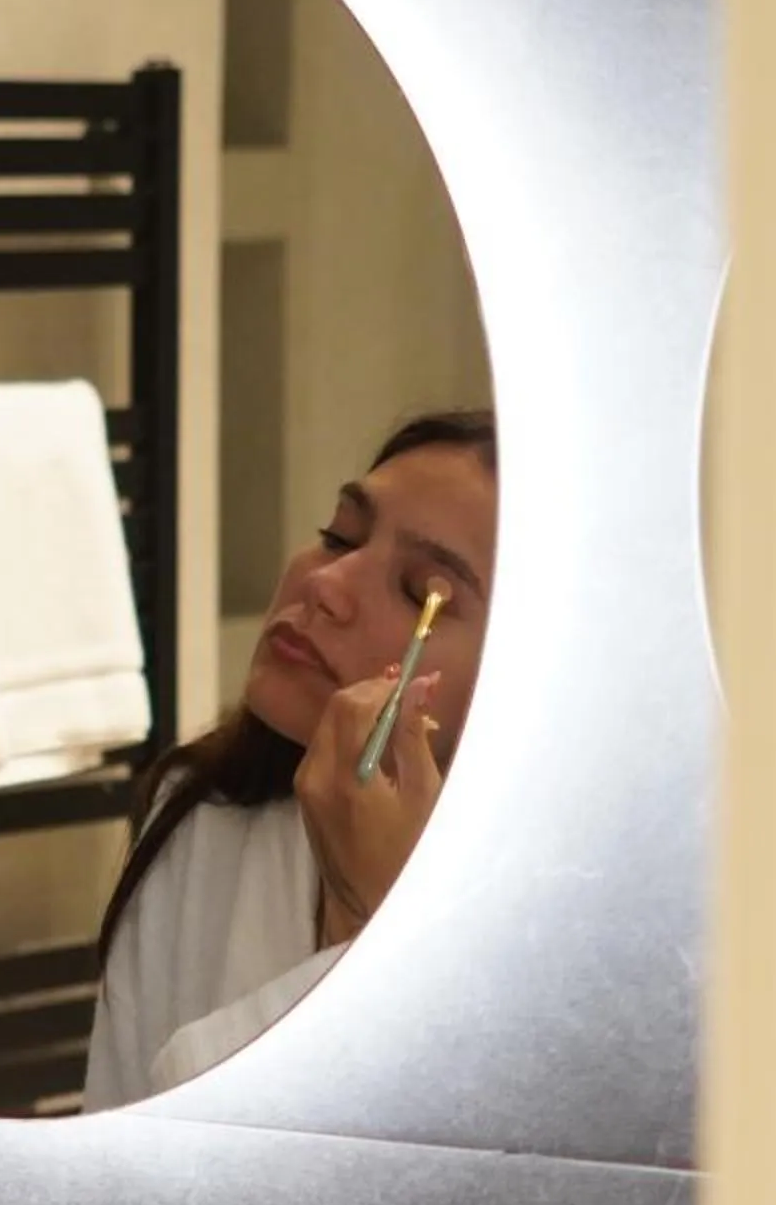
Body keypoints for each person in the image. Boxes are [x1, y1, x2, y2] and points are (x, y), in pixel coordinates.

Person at [84, 409, 497, 1110]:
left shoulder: (572, 962)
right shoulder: (199, 816)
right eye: (340, 535)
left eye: (418, 591)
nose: (325, 585)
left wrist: (374, 932)